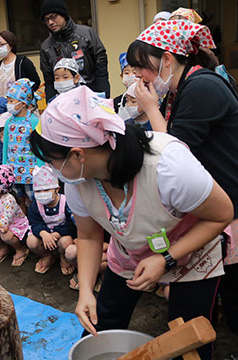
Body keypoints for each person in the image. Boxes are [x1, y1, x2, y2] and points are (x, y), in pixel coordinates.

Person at [29, 86, 233, 359]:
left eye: (53, 161)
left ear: (78, 154)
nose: (53, 171)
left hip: (192, 251)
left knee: (187, 338)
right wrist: (86, 292)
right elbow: (89, 236)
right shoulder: (78, 181)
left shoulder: (169, 166)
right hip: (130, 252)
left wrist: (166, 259)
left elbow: (221, 215)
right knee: (100, 322)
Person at [129, 20, 238, 356]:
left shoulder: (201, 87)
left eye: (139, 67)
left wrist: (149, 109)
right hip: (215, 197)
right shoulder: (180, 89)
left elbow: (174, 152)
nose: (137, 78)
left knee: (229, 296)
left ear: (165, 59)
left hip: (227, 203)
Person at [39, 0, 110, 101]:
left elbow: (101, 65)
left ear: (63, 15)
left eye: (53, 17)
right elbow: (49, 79)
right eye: (46, 20)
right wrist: (51, 103)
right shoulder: (46, 47)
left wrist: (103, 95)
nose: (50, 22)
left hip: (91, 94)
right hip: (63, 102)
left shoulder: (86, 34)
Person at [3, 78, 44, 214]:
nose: (8, 104)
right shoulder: (9, 122)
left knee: (33, 198)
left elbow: (39, 145)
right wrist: (5, 165)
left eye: (11, 101)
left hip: (30, 170)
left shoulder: (33, 120)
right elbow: (6, 146)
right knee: (18, 197)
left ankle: (34, 219)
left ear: (23, 102)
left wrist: (39, 167)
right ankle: (23, 220)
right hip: (13, 168)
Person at [27, 166, 76, 275]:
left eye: (46, 190)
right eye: (38, 191)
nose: (42, 193)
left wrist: (56, 234)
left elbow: (71, 224)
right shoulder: (35, 205)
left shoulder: (66, 201)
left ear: (57, 189)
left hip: (62, 235)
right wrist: (44, 233)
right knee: (31, 241)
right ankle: (48, 256)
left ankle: (63, 257)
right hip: (44, 236)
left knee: (66, 241)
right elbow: (34, 223)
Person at [0, 165, 30, 267]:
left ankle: (20, 249)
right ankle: (5, 247)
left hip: (15, 225)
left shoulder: (9, 199)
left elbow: (3, 221)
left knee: (6, 235)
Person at [0, 30, 40, 98]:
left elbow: (35, 82)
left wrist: (24, 97)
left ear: (11, 44)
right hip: (2, 106)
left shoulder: (23, 62)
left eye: (2, 44)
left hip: (21, 106)